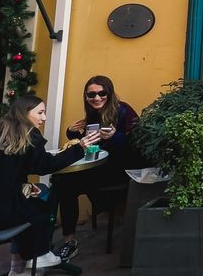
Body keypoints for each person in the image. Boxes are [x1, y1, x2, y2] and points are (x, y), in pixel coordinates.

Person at [0, 94, 100, 276]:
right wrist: (80, 147)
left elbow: (2, 170)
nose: (44, 118)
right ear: (25, 113)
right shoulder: (29, 134)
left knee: (35, 195)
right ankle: (37, 257)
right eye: (40, 113)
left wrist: (23, 185)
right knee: (41, 203)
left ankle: (20, 267)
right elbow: (46, 165)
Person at [51, 75, 140, 262]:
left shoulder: (123, 111)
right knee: (61, 182)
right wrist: (72, 133)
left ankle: (59, 240)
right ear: (86, 96)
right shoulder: (92, 114)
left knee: (64, 183)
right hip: (97, 168)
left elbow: (137, 146)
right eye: (91, 94)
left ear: (109, 93)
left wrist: (116, 137)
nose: (97, 98)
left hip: (119, 171)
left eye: (102, 93)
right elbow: (91, 144)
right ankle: (67, 241)